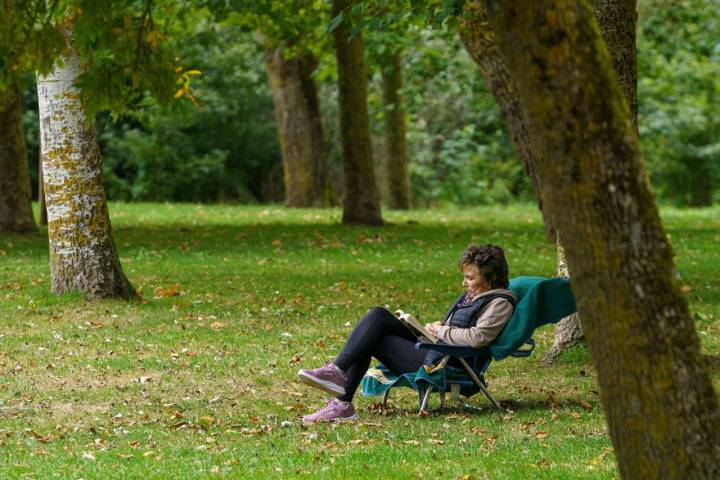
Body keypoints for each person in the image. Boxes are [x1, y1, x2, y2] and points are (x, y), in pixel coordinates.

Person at [297, 244, 517, 423]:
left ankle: (341, 399)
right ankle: (337, 374)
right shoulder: (474, 295)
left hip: (449, 363)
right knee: (377, 316)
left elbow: (479, 338)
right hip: (438, 349)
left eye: (470, 278)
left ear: (490, 277)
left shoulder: (499, 302)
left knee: (371, 339)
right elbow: (459, 326)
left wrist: (442, 330)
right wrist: (429, 327)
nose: (464, 283)